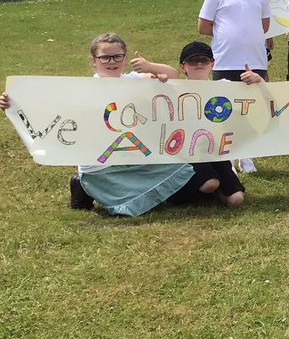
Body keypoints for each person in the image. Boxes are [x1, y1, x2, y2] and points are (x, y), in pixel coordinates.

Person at [0, 33, 215, 217]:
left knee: (178, 168)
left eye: (117, 56)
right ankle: (83, 186)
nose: (111, 61)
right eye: (105, 57)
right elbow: (47, 106)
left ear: (125, 57)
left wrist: (149, 67)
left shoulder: (134, 79)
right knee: (116, 195)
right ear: (94, 60)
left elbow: (170, 75)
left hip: (134, 155)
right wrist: (14, 103)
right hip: (100, 162)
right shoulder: (84, 88)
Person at [131, 41, 253, 207]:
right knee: (210, 183)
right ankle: (176, 194)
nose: (199, 64)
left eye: (204, 61)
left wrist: (256, 79)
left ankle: (215, 189)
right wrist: (151, 69)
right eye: (193, 61)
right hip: (186, 153)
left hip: (215, 152)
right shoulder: (173, 87)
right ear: (183, 66)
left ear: (213, 64)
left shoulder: (224, 87)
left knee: (236, 200)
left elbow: (256, 98)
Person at [198, 0, 271, 174]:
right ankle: (227, 157)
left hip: (255, 62)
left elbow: (264, 25)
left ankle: (246, 155)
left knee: (251, 111)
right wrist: (227, 36)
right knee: (225, 111)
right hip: (225, 61)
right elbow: (204, 26)